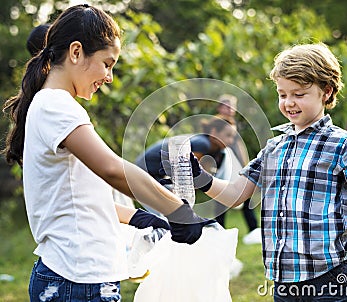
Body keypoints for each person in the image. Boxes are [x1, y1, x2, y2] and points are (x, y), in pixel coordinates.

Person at [2, 5, 210, 302]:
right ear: (76, 52)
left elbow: (79, 197)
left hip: (77, 276)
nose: (109, 76)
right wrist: (176, 209)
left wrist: (139, 216)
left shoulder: (54, 105)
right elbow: (112, 169)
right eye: (107, 63)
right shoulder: (55, 106)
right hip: (76, 279)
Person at [164, 43, 347, 301]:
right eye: (283, 94)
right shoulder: (274, 147)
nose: (289, 103)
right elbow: (235, 194)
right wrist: (200, 177)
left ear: (326, 92)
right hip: (282, 282)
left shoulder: (343, 144)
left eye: (299, 94)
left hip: (330, 279)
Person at [136, 116, 237, 214]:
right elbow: (190, 177)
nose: (231, 141)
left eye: (233, 137)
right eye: (228, 135)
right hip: (144, 171)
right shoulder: (203, 144)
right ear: (214, 132)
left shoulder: (214, 149)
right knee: (171, 208)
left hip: (155, 174)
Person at [215, 94, 260, 244]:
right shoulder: (217, 124)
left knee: (245, 198)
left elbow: (238, 147)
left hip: (237, 167)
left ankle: (253, 229)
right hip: (223, 168)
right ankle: (218, 233)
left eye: (232, 106)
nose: (230, 109)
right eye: (227, 106)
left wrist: (245, 164)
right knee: (221, 200)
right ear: (220, 107)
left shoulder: (232, 123)